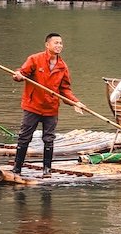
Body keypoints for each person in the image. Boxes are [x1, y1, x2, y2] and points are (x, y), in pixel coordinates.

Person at [11, 33, 84, 177]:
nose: (59, 46)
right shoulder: (35, 59)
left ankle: (47, 170)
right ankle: (17, 168)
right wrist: (17, 75)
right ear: (47, 45)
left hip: (51, 108)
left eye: (61, 43)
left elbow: (64, 90)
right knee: (24, 137)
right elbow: (21, 73)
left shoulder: (62, 67)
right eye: (56, 43)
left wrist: (75, 102)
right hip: (32, 106)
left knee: (49, 138)